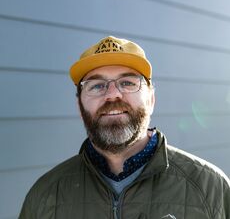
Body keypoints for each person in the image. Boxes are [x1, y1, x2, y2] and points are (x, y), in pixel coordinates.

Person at [19, 36, 230, 219]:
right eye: (97, 85)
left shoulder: (210, 188)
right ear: (79, 105)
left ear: (151, 100)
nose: (112, 94)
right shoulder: (45, 194)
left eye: (128, 83)